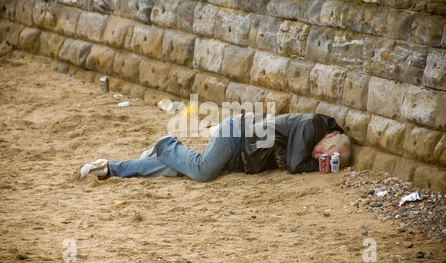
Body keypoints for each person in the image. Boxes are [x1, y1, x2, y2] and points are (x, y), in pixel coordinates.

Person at [77, 112, 351, 182]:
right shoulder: (312, 124)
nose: (324, 159)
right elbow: (294, 165)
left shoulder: (314, 137)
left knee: (176, 170)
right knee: (202, 170)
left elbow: (288, 156)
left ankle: (110, 168)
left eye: (330, 160)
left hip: (243, 158)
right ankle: (167, 143)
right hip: (236, 134)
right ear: (329, 140)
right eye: (328, 155)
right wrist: (320, 166)